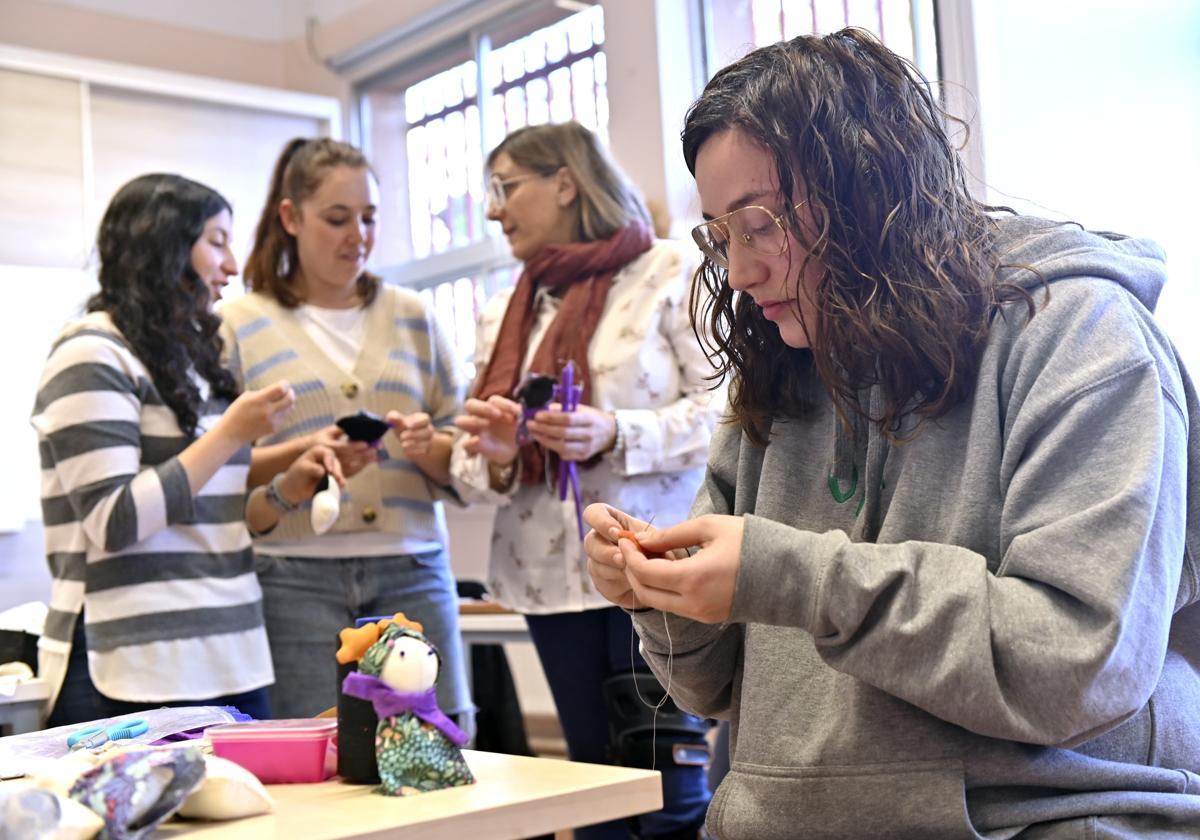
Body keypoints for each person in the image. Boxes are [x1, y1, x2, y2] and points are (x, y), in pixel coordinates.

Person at [582, 28, 1200, 840]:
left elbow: (1078, 665)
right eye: (720, 235)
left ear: (872, 189)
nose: (738, 271)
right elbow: (721, 689)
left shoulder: (1083, 339)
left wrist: (798, 578)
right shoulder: (782, 364)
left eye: (760, 223)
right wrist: (662, 597)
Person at [450, 121, 722, 840]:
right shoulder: (503, 311)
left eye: (506, 188)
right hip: (544, 574)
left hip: (654, 558)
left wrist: (617, 431)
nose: (493, 210)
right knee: (590, 790)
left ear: (565, 182)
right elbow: (471, 470)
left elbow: (730, 409)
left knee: (670, 792)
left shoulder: (671, 272)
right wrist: (503, 449)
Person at [33, 173, 343, 726]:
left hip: (231, 658)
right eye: (216, 242)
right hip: (130, 662)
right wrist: (231, 432)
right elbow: (116, 519)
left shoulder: (193, 361)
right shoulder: (91, 355)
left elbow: (209, 520)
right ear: (166, 247)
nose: (231, 264)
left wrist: (288, 481)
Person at [217, 138, 472, 725]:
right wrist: (300, 454)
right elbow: (219, 462)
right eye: (337, 219)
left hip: (413, 565)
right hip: (291, 577)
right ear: (291, 218)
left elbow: (463, 451)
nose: (357, 235)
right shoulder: (238, 324)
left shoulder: (415, 317)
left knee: (444, 742)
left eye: (369, 218)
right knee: (313, 753)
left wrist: (428, 446)